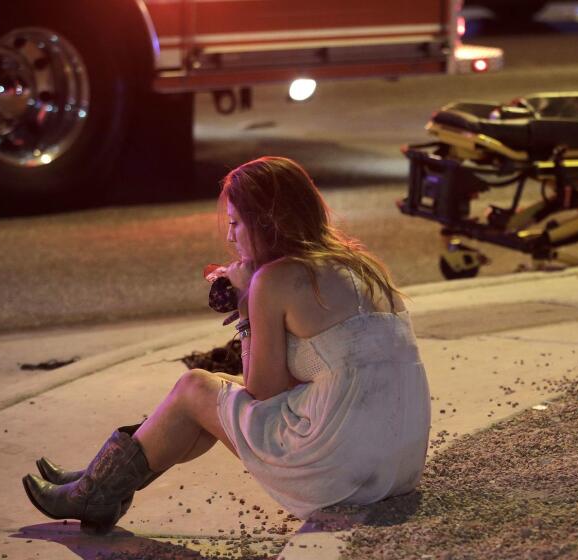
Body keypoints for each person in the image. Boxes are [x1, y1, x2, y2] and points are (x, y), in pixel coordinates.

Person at [22, 156, 432, 534]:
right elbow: (310, 376)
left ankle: (96, 490)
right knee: (212, 393)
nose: (230, 237)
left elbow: (263, 394)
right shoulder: (361, 265)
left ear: (268, 221)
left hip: (339, 469)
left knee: (195, 389)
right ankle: (97, 484)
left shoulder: (274, 280)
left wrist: (247, 309)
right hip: (398, 463)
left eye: (236, 223)